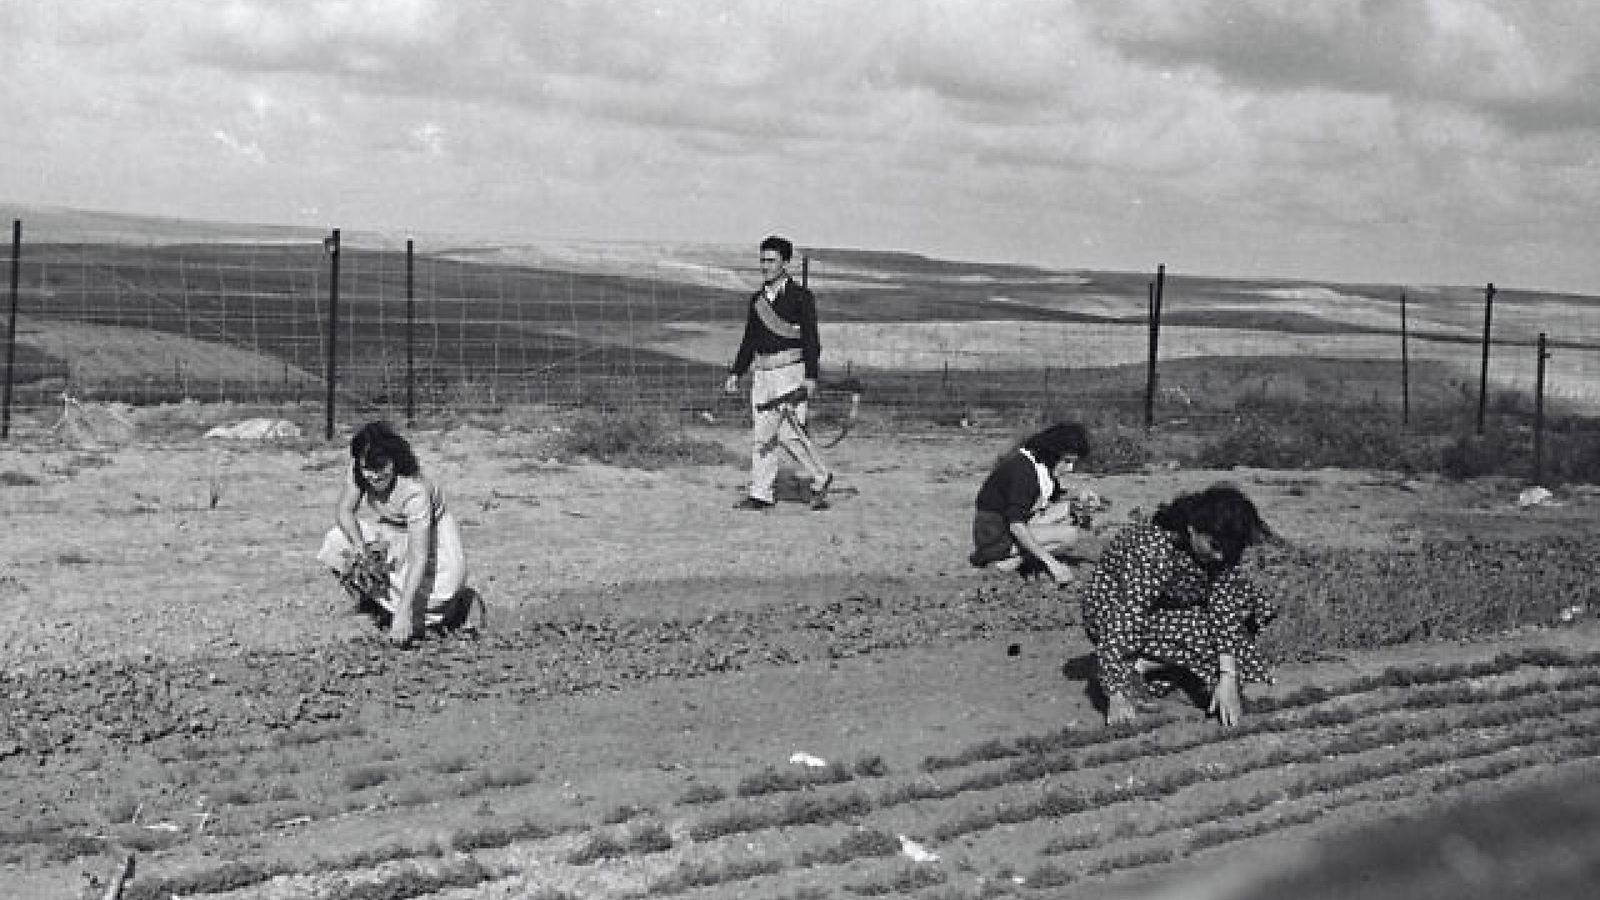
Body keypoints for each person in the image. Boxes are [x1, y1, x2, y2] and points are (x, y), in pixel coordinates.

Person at [1081, 483, 1278, 728]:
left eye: (1227, 551)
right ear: (1193, 529)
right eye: (1214, 547)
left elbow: (1224, 607)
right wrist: (1114, 693)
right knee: (1201, 631)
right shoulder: (1154, 548)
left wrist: (1227, 677)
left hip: (1165, 606)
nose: (1220, 557)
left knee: (1246, 610)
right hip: (1112, 610)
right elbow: (1127, 616)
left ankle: (1157, 669)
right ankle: (1126, 668)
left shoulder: (1219, 554)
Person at [316, 421, 478, 647]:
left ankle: (455, 606)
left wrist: (404, 613)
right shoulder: (360, 472)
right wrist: (361, 548)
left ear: (394, 461)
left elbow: (418, 556)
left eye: (380, 468)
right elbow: (344, 511)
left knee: (437, 599)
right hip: (392, 536)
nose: (372, 476)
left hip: (431, 544)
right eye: (366, 469)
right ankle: (375, 607)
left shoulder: (415, 490)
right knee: (337, 543)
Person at [723, 235, 834, 511]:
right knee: (763, 435)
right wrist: (737, 371)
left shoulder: (801, 298)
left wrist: (811, 377)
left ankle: (821, 475)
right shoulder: (756, 300)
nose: (765, 266)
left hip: (791, 373)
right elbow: (749, 340)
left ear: (785, 262)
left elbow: (811, 340)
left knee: (788, 434)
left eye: (771, 260)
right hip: (763, 374)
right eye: (762, 260)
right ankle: (760, 494)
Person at [968, 422, 1095, 586]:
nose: (1070, 468)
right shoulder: (1024, 472)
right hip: (995, 537)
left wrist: (1079, 496)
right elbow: (1016, 525)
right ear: (1053, 454)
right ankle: (1005, 561)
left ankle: (1015, 559)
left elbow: (1053, 496)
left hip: (1002, 527)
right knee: (1069, 536)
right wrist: (1053, 564)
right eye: (1067, 461)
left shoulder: (1037, 464)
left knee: (1069, 511)